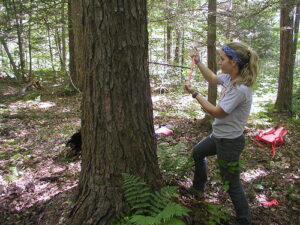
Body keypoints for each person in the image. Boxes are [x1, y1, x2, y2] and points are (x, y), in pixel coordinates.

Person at [184, 42, 259, 225]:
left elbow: (217, 112)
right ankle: (198, 190)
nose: (219, 62)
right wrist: (199, 62)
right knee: (198, 152)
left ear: (233, 62)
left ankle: (244, 220)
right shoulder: (229, 78)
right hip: (219, 136)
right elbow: (212, 78)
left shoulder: (240, 89)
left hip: (230, 142)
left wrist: (195, 93)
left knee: (232, 183)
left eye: (222, 59)